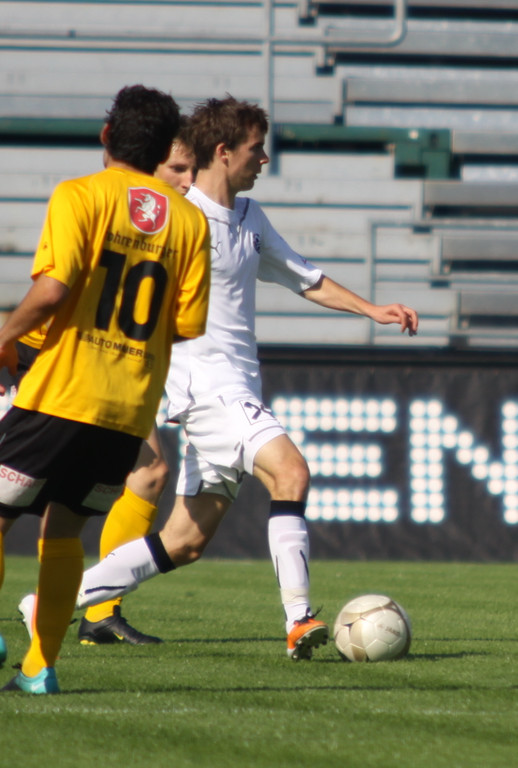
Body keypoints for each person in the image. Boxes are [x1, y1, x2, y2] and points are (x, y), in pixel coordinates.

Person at [67, 96, 419, 660]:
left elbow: (306, 277)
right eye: (257, 149)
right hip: (207, 390)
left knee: (184, 541)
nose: (265, 159)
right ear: (224, 151)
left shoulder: (251, 219)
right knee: (291, 473)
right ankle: (298, 619)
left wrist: (372, 310)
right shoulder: (178, 216)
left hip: (237, 388)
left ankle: (46, 602)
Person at [0, 84, 210, 696]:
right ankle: (39, 668)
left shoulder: (80, 193)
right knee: (65, 531)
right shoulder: (190, 221)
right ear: (164, 150)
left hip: (60, 394)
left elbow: (53, 289)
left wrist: (3, 340)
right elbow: (187, 324)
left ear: (107, 136)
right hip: (128, 414)